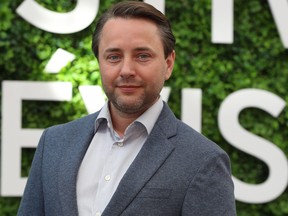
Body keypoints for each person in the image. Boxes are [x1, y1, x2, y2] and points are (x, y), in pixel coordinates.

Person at [18, 1, 236, 215]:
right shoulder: (54, 143)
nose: (127, 70)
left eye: (142, 56)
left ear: (168, 64)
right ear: (99, 62)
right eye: (114, 57)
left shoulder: (203, 160)